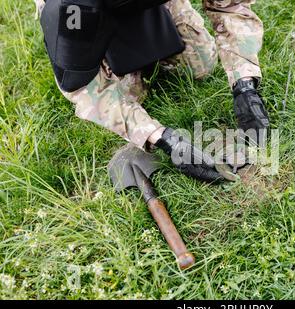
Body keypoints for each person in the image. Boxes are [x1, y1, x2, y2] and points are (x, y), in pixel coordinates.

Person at [36, 0, 269, 182]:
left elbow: (231, 7)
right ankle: (111, 54)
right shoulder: (71, 8)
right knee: (131, 96)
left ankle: (156, 21)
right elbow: (81, 86)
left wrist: (244, 81)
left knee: (200, 65)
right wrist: (161, 138)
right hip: (90, 17)